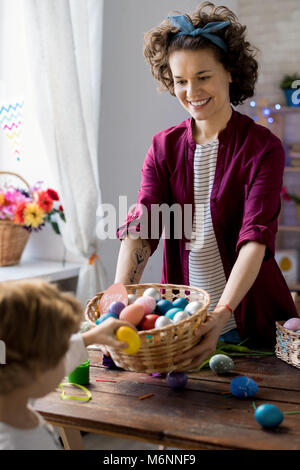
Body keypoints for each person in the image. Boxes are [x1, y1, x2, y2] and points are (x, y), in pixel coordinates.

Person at [115, 2, 298, 369]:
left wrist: (220, 315)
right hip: (182, 323)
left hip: (251, 325)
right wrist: (119, 303)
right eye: (180, 80)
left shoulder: (263, 147)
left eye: (203, 76)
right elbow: (144, 225)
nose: (191, 91)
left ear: (229, 72)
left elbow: (255, 239)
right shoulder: (162, 147)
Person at [0, 279, 132, 450]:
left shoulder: (13, 392)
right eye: (62, 350)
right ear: (38, 369)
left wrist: (91, 337)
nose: (66, 354)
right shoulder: (14, 444)